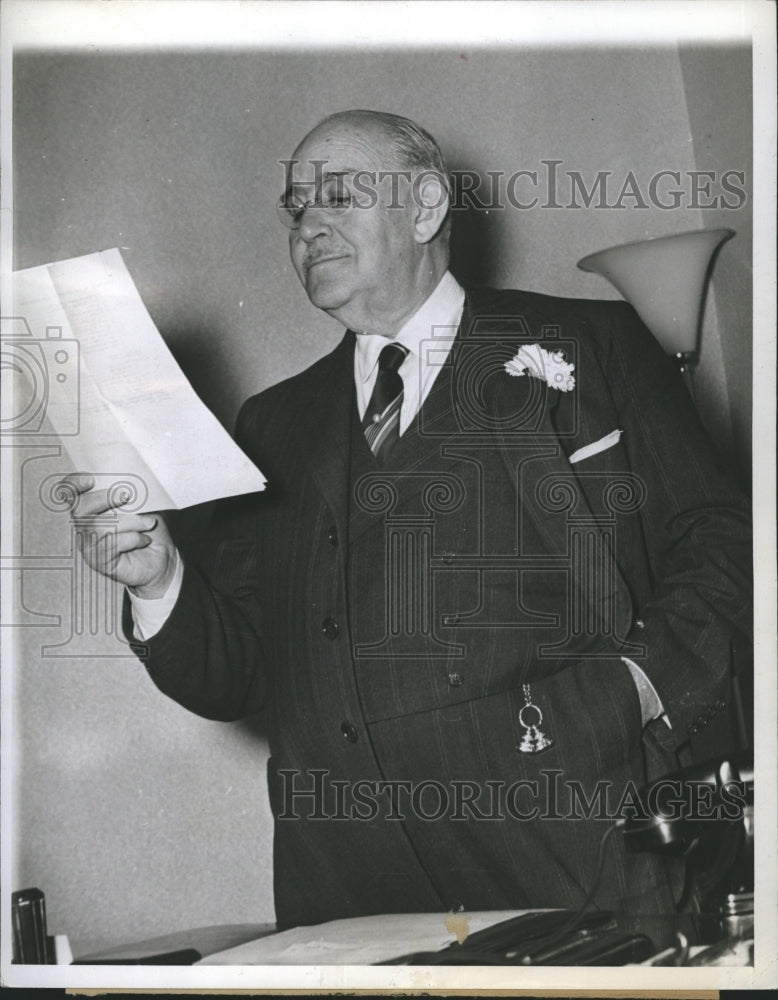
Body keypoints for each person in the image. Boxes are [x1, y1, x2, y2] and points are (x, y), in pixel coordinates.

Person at [67, 110, 751, 934]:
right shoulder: (273, 426)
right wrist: (161, 580)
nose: (306, 225)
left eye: (339, 195)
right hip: (348, 891)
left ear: (426, 207)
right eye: (295, 207)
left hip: (569, 850)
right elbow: (238, 673)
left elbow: (725, 545)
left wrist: (633, 692)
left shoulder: (593, 345)